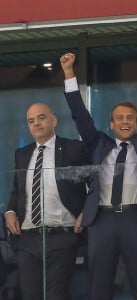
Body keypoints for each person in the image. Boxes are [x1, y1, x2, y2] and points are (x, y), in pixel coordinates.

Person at [60, 50, 137, 300]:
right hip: (101, 221)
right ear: (111, 124)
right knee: (100, 286)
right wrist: (69, 73)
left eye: (130, 118)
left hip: (136, 219)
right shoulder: (98, 144)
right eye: (119, 118)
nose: (125, 122)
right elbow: (79, 116)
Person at [5, 103, 89, 300]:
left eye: (41, 118)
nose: (36, 123)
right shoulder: (22, 154)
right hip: (27, 238)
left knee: (56, 296)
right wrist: (10, 213)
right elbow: (17, 191)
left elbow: (96, 181)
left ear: (54, 120)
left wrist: (87, 212)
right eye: (31, 121)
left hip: (61, 236)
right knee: (30, 295)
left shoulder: (73, 149)